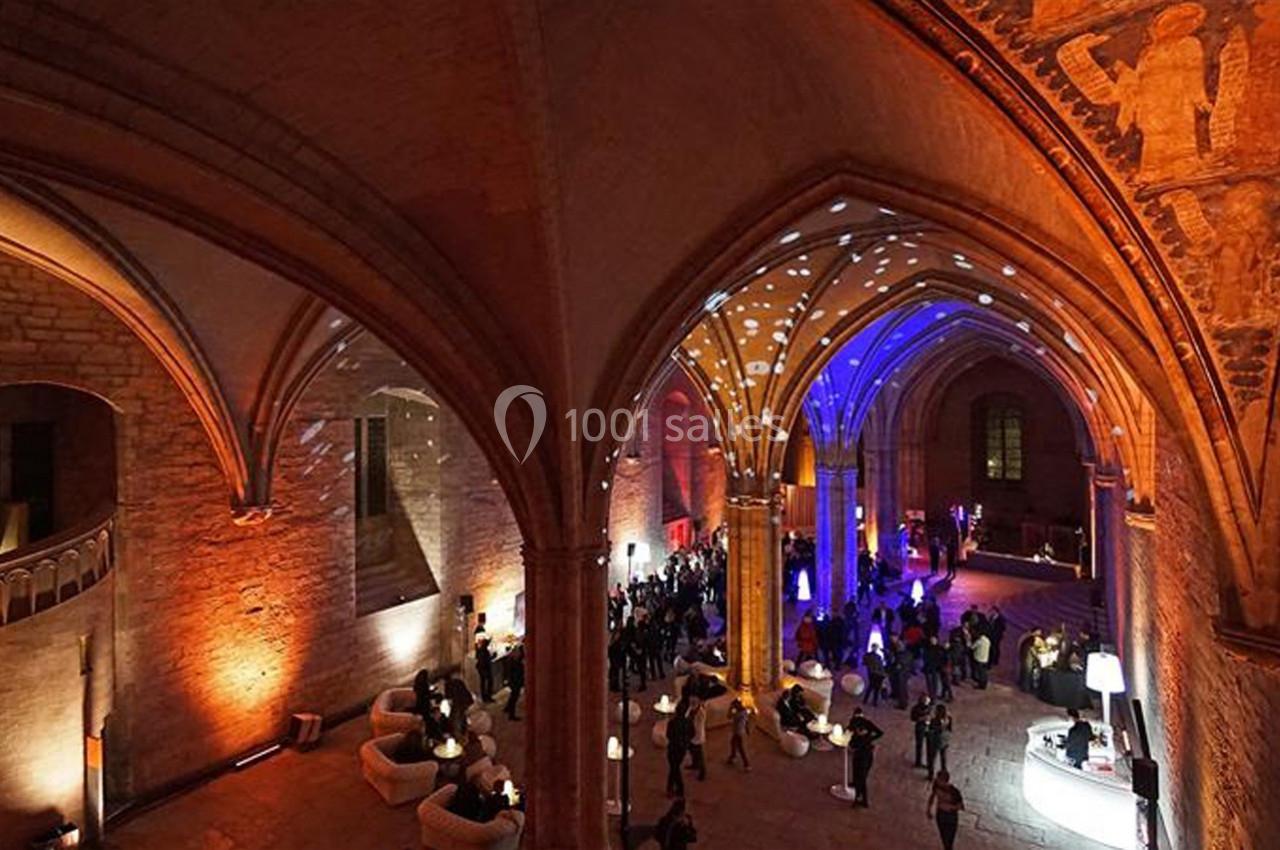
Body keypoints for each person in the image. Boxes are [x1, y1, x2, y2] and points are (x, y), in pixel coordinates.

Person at [846, 707, 884, 808]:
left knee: (862, 778)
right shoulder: (856, 723)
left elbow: (880, 733)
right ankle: (855, 787)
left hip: (864, 755)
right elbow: (849, 731)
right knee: (857, 774)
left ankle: (862, 799)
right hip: (860, 754)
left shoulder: (864, 725)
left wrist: (868, 737)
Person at [927, 770, 965, 850]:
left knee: (950, 838)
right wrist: (929, 809)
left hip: (951, 816)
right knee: (943, 836)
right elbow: (932, 796)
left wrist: (950, 807)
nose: (937, 780)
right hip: (940, 814)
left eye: (939, 779)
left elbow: (961, 806)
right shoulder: (936, 785)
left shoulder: (954, 791)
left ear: (945, 780)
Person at [666, 702, 692, 797]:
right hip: (681, 749)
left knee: (674, 768)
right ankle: (671, 788)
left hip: (673, 748)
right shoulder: (688, 722)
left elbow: (668, 735)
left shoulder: (672, 722)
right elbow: (692, 733)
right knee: (674, 767)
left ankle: (676, 788)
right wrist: (686, 741)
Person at [925, 703, 952, 780]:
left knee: (932, 758)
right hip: (944, 740)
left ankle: (931, 774)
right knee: (943, 757)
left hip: (935, 741)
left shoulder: (934, 721)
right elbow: (950, 729)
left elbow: (931, 730)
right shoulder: (948, 718)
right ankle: (944, 772)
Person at [726, 698, 751, 771]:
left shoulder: (737, 713)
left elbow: (728, 716)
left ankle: (747, 764)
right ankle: (733, 757)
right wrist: (747, 729)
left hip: (738, 732)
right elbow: (747, 721)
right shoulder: (745, 711)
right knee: (733, 743)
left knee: (740, 748)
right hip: (739, 732)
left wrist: (730, 708)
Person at [687, 695, 707, 781]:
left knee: (699, 754)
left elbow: (697, 725)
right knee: (692, 751)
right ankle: (694, 764)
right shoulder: (691, 710)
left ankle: (703, 772)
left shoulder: (701, 712)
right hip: (690, 735)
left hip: (697, 736)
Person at [911, 694, 932, 768]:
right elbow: (913, 718)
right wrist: (922, 718)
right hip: (920, 727)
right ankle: (918, 761)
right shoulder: (916, 708)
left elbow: (930, 714)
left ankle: (929, 762)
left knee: (929, 745)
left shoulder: (929, 707)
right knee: (919, 745)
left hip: (928, 727)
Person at [504, 644, 524, 721]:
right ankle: (511, 715)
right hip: (515, 681)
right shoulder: (515, 661)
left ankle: (507, 708)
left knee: (513, 696)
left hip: (514, 681)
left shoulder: (511, 660)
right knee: (514, 697)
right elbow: (515, 672)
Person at [476, 638, 495, 703]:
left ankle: (484, 697)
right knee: (489, 682)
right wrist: (492, 657)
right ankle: (487, 697)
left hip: (481, 669)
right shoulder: (484, 651)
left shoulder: (480, 650)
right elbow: (485, 661)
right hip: (484, 669)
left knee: (483, 683)